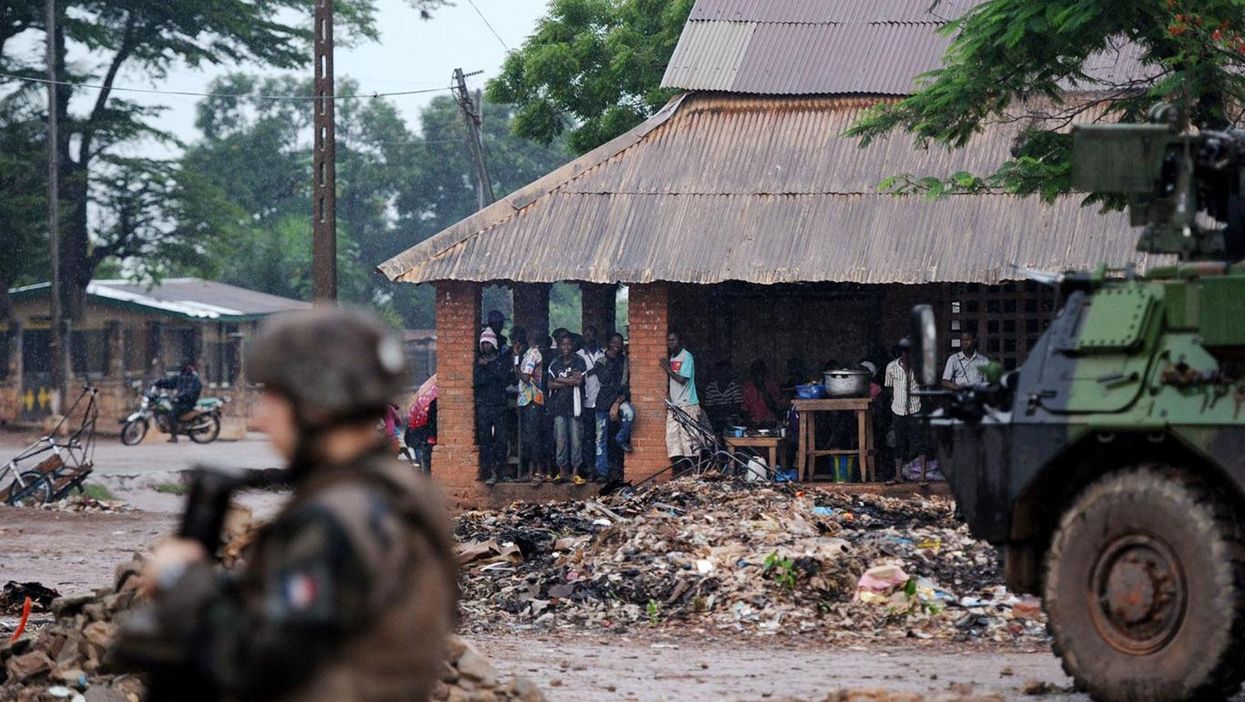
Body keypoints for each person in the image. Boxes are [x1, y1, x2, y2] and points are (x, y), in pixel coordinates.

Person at [111, 308, 457, 702]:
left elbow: (262, 661)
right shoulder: (398, 490)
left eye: (273, 397)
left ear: (318, 404)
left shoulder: (338, 517)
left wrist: (180, 580)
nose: (259, 419)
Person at [547, 333, 588, 484]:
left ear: (573, 346)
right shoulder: (555, 363)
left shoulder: (579, 361)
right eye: (563, 345)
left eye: (568, 344)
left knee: (577, 439)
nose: (566, 347)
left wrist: (560, 379)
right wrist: (568, 381)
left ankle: (575, 472)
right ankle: (562, 471)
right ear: (558, 346)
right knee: (561, 440)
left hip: (575, 407)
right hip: (559, 407)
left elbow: (579, 382)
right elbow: (550, 384)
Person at [474, 328, 511, 485]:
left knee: (501, 439)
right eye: (483, 344)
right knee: (485, 440)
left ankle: (500, 471)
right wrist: (492, 373)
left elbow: (504, 378)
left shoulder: (501, 361)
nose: (486, 347)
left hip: (499, 405)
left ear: (494, 345)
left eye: (488, 344)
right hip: (483, 406)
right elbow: (477, 382)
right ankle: (488, 471)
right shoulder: (478, 363)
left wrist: (488, 367)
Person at [594, 332, 633, 480]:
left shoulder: (624, 361)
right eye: (614, 342)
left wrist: (617, 403)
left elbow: (625, 386)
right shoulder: (601, 361)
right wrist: (611, 358)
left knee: (630, 414)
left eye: (620, 342)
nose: (617, 345)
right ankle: (602, 472)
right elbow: (604, 379)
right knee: (600, 438)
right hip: (603, 403)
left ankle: (620, 439)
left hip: (619, 400)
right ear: (609, 343)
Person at [884, 338, 924, 482]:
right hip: (898, 408)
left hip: (915, 407)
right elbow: (889, 387)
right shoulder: (891, 367)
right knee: (898, 442)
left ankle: (923, 477)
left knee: (920, 442)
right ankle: (898, 475)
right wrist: (894, 401)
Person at [662, 330, 700, 468]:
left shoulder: (687, 357)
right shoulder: (672, 357)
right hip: (674, 405)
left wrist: (667, 368)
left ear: (680, 341)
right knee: (673, 440)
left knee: (689, 440)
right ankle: (682, 473)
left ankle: (695, 472)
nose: (671, 343)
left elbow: (682, 379)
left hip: (688, 404)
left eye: (674, 340)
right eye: (669, 340)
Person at [512, 327, 545, 484]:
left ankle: (538, 472)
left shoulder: (533, 354)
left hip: (533, 399)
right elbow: (518, 373)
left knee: (534, 437)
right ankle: (531, 472)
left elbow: (524, 378)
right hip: (526, 399)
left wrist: (517, 363)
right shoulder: (527, 354)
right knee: (529, 437)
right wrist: (517, 356)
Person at [576, 326, 606, 479]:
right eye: (585, 334)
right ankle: (589, 470)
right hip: (586, 402)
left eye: (590, 334)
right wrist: (590, 372)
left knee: (600, 437)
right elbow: (576, 377)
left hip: (601, 402)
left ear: (595, 336)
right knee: (587, 437)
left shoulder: (603, 354)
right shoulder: (578, 355)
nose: (588, 336)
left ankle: (600, 469)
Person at [154, 362, 202, 443]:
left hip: (188, 403)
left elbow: (191, 391)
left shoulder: (194, 378)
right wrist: (158, 383)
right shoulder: (181, 376)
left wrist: (182, 396)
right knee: (166, 408)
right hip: (180, 401)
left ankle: (174, 436)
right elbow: (170, 382)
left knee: (171, 413)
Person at [702, 360, 742, 432]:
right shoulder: (711, 388)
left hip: (732, 418)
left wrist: (719, 408)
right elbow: (709, 409)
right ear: (717, 373)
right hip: (716, 419)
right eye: (722, 372)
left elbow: (737, 407)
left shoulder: (734, 386)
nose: (724, 374)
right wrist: (727, 408)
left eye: (726, 372)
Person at [741, 360, 783, 427]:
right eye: (755, 372)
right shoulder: (748, 387)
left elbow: (777, 410)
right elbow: (744, 410)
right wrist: (749, 421)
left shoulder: (772, 385)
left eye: (760, 371)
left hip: (770, 422)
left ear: (764, 373)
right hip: (753, 423)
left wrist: (763, 389)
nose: (758, 374)